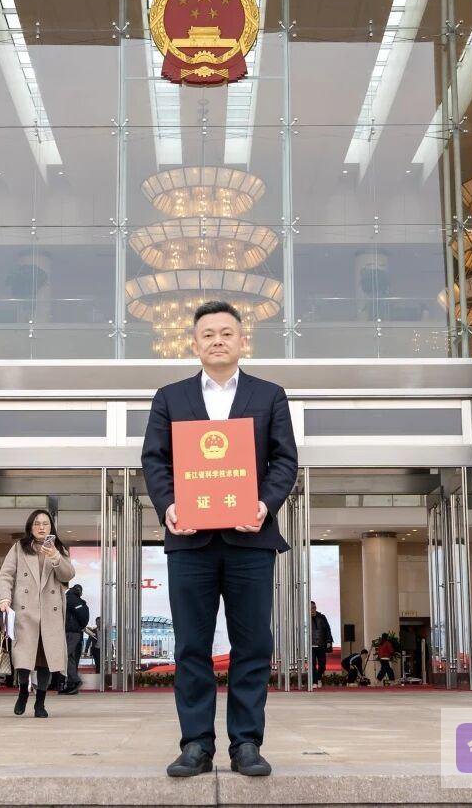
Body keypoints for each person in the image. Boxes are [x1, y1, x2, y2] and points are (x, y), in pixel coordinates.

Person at [142, 300, 298, 778]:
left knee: (253, 645)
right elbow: (155, 460)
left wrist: (264, 504)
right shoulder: (170, 397)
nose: (217, 341)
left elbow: (284, 461)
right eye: (207, 334)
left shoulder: (269, 395)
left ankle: (246, 743)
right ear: (194, 343)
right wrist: (169, 506)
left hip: (251, 540)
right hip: (190, 542)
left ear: (241, 340)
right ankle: (196, 744)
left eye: (226, 333)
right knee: (191, 645)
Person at [0, 509, 76, 719]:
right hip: (26, 612)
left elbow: (68, 575)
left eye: (45, 524)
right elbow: (6, 575)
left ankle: (40, 701)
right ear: (30, 527)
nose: (41, 527)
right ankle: (23, 691)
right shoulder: (19, 548)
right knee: (23, 657)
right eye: (37, 524)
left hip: (50, 613)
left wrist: (55, 556)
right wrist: (4, 598)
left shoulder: (58, 549)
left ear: (51, 527)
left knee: (45, 660)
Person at [61, 584, 90, 695]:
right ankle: (71, 683)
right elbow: (83, 617)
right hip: (73, 632)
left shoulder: (69, 598)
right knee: (69, 657)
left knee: (66, 656)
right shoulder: (76, 600)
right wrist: (80, 626)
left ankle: (74, 681)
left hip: (69, 632)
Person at [310, 601, 333, 689]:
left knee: (322, 665)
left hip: (321, 644)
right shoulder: (306, 618)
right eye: (310, 608)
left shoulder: (322, 617)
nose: (312, 610)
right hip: (311, 646)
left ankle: (319, 678)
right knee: (312, 664)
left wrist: (329, 641)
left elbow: (327, 629)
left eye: (313, 608)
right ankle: (314, 681)